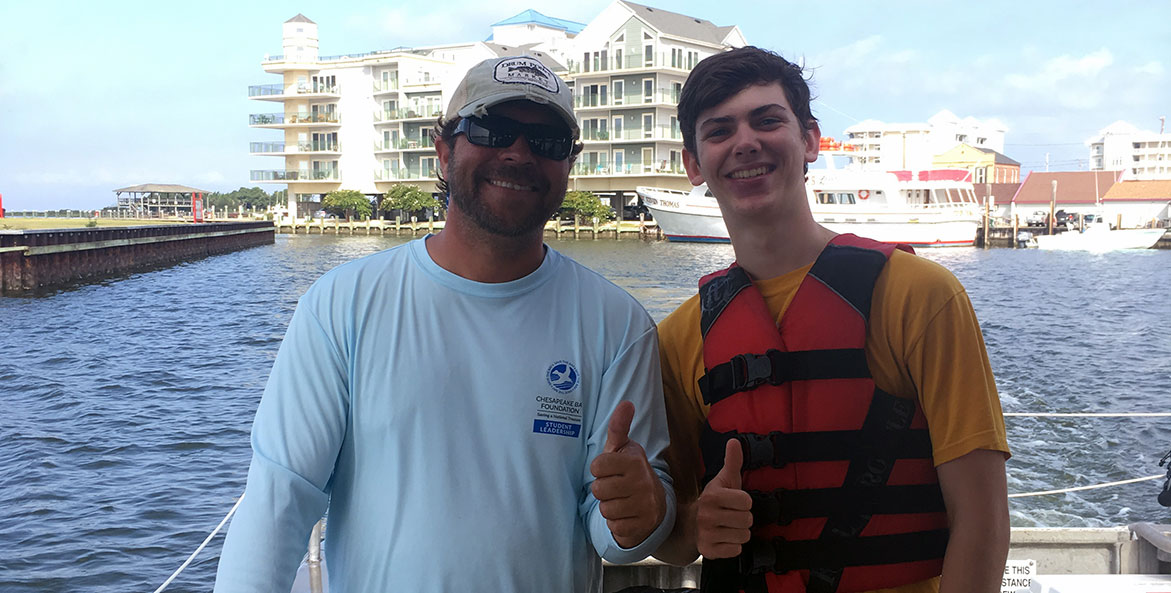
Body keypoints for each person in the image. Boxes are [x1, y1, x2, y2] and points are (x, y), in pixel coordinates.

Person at [214, 55, 675, 593]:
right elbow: (279, 498)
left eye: (546, 141)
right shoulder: (342, 304)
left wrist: (643, 512)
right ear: (443, 148)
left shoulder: (619, 326)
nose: (519, 153)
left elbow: (616, 532)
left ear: (567, 164)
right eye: (493, 129)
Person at [652, 46, 1010, 593]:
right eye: (719, 130)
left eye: (768, 120)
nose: (746, 141)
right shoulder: (678, 338)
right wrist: (697, 521)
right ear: (694, 164)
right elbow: (674, 538)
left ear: (811, 140)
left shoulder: (919, 296)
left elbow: (981, 518)